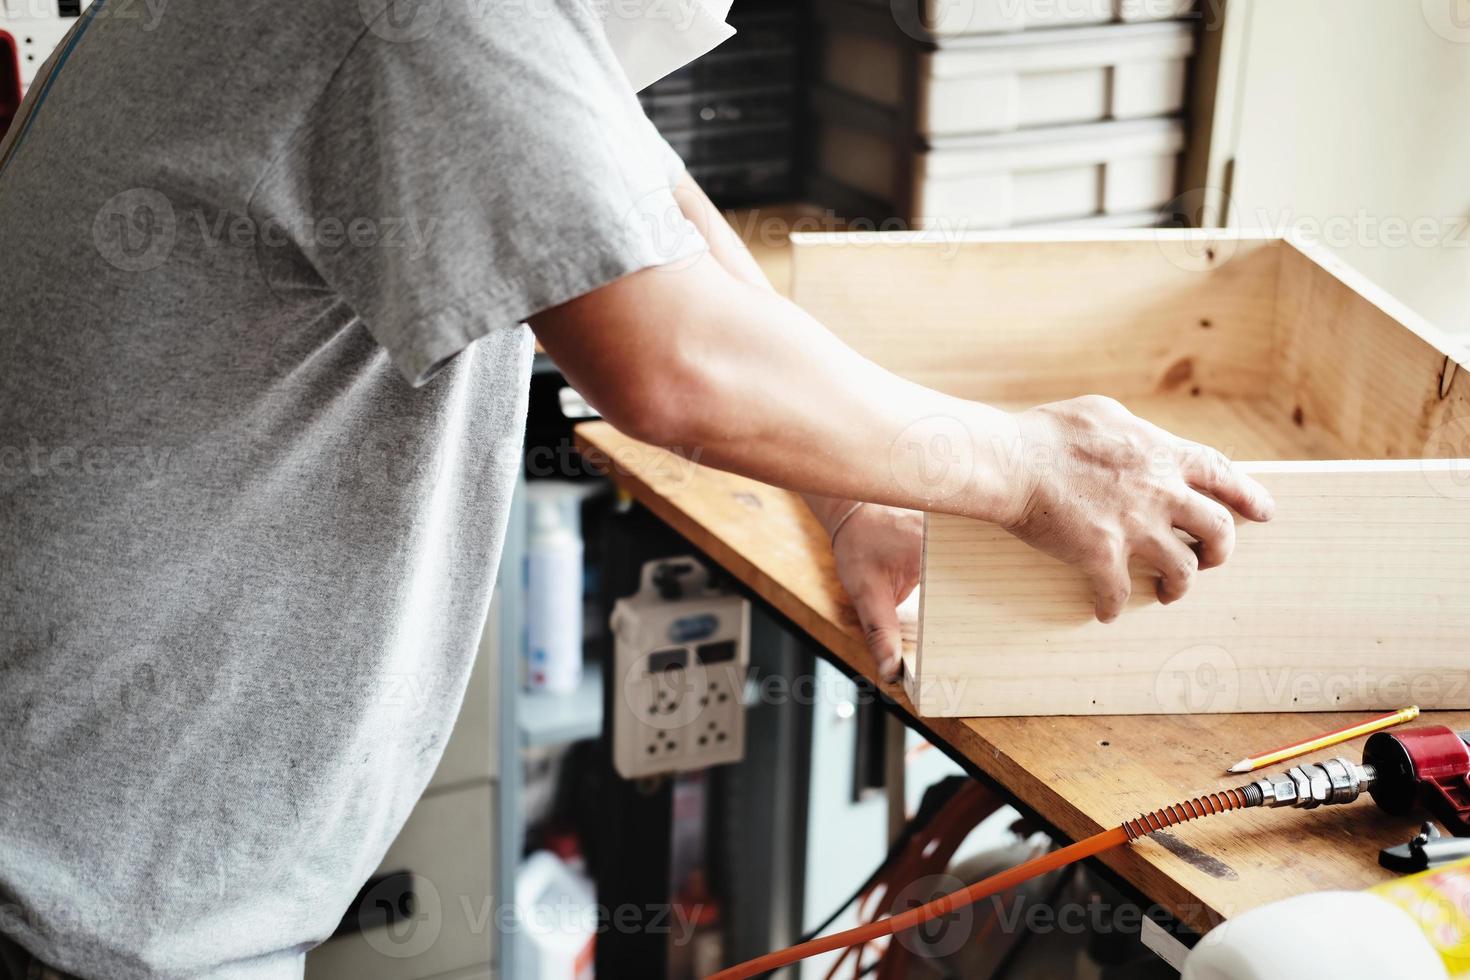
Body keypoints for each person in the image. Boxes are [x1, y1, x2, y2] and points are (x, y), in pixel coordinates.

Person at [0, 1, 1273, 976]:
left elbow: (629, 191)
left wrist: (857, 501)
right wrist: (1030, 464)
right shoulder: (426, 17)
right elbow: (672, 362)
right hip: (82, 874)